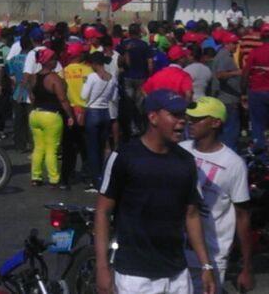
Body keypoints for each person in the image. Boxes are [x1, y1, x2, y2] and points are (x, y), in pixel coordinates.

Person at [94, 89, 215, 294]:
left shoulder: (186, 162)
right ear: (153, 117)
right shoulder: (124, 156)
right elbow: (102, 212)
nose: (182, 121)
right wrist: (102, 268)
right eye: (175, 115)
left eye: (183, 115)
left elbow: (192, 215)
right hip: (135, 278)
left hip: (177, 275)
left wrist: (206, 266)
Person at [180, 97, 253, 294]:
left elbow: (242, 216)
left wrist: (246, 267)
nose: (190, 122)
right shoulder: (181, 150)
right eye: (190, 118)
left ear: (215, 122)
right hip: (176, 252)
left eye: (198, 119)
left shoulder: (233, 164)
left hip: (212, 257)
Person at [29, 49, 75, 187]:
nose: (56, 61)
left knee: (38, 147)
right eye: (54, 59)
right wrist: (70, 116)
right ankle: (54, 178)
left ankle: (35, 177)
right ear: (48, 61)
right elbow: (63, 99)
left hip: (35, 114)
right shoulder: (54, 78)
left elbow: (32, 97)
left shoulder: (34, 77)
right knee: (51, 149)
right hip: (51, 116)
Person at [81, 51, 118, 191]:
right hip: (105, 113)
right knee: (103, 148)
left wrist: (85, 83)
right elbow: (113, 98)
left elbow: (83, 95)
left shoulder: (92, 77)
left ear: (94, 64)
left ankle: (95, 182)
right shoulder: (112, 78)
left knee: (92, 149)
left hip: (93, 113)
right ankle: (103, 177)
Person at [62, 42, 92, 189]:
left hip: (69, 111)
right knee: (85, 146)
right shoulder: (88, 70)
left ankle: (69, 173)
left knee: (69, 145)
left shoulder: (64, 71)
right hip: (85, 111)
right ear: (80, 55)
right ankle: (87, 174)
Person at [118, 24, 153, 136]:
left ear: (129, 32)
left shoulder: (124, 44)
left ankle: (131, 127)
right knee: (140, 104)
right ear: (139, 32)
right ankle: (141, 126)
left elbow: (119, 61)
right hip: (141, 77)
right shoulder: (144, 45)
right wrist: (150, 75)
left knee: (129, 103)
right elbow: (150, 63)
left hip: (128, 77)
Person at [210, 32, 242, 150]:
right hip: (228, 100)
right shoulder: (225, 56)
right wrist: (237, 72)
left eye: (236, 43)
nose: (236, 46)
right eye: (233, 43)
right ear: (227, 44)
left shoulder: (224, 54)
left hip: (225, 99)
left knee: (225, 132)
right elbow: (220, 74)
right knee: (231, 132)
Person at [243, 23, 269, 151]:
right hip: (260, 92)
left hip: (257, 93)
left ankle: (261, 159)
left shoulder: (255, 52)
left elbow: (245, 74)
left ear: (261, 37)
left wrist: (242, 93)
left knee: (258, 126)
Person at [9, 35, 33, 153]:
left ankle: (19, 145)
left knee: (18, 120)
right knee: (30, 119)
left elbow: (12, 77)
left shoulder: (13, 59)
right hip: (29, 92)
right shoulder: (31, 59)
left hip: (17, 92)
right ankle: (31, 142)